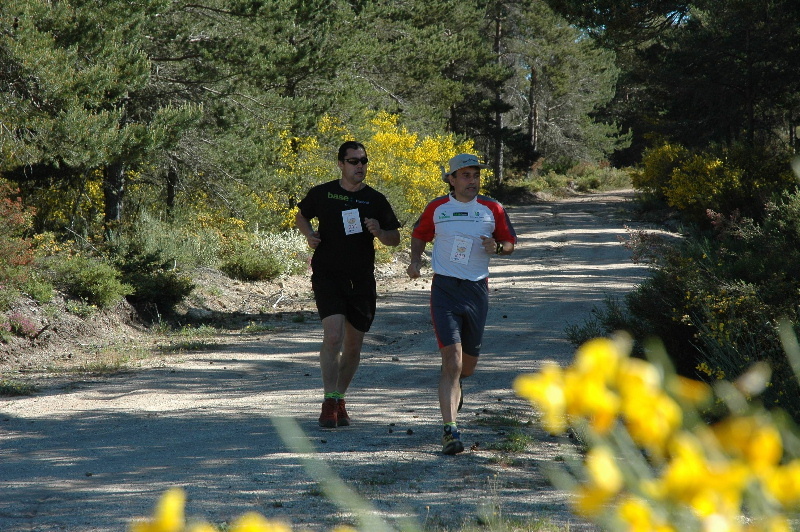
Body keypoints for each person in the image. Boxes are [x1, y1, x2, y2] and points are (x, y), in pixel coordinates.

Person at [407, 153, 517, 455]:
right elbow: (419, 235)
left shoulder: (492, 208)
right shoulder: (437, 208)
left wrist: (498, 248)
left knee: (466, 367)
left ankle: (456, 388)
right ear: (452, 180)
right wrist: (416, 260)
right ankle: (450, 431)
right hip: (444, 289)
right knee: (452, 363)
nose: (472, 181)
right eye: (465, 175)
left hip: (476, 291)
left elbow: (509, 243)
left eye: (476, 175)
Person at [295, 141, 401, 428]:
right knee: (333, 336)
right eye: (353, 161)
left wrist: (379, 232)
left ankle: (339, 397)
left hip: (361, 279)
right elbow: (301, 214)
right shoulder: (324, 193)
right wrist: (309, 235)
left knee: (354, 346)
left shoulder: (375, 200)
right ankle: (329, 401)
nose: (360, 166)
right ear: (341, 164)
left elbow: (395, 238)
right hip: (328, 275)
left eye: (363, 161)